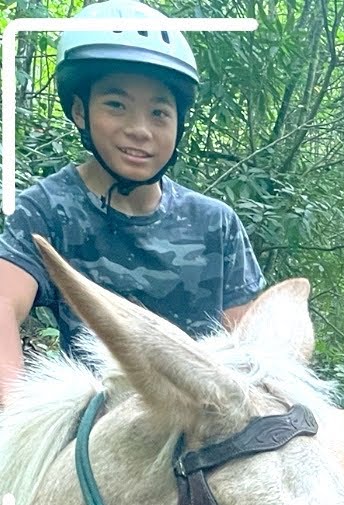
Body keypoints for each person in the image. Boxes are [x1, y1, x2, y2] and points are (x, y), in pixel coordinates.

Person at [0, 0, 265, 406]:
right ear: (79, 111)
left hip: (205, 429)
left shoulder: (215, 223)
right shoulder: (46, 210)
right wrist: (16, 421)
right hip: (100, 433)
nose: (140, 130)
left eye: (159, 112)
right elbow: (3, 304)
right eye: (116, 105)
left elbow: (252, 350)